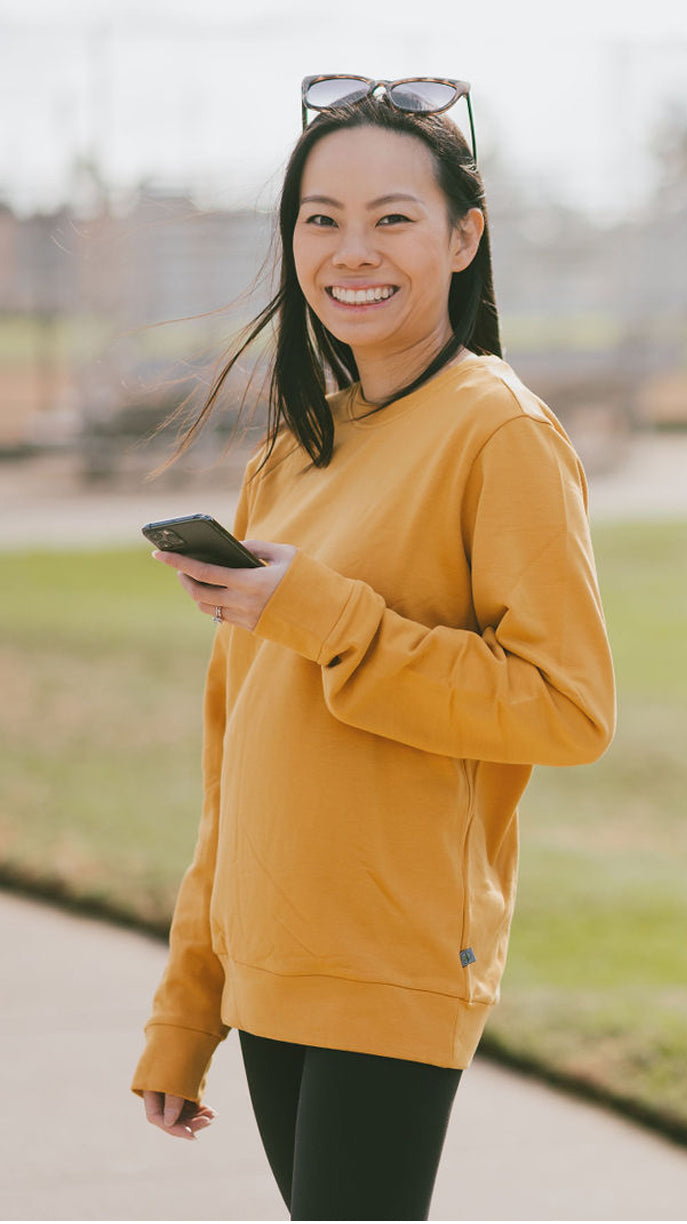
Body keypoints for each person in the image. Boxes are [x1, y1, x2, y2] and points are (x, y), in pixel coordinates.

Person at [131, 76, 616, 1221]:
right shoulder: (292, 454)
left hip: (389, 960)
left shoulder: (501, 432)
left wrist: (329, 617)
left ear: (463, 235)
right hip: (271, 965)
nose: (353, 250)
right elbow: (234, 765)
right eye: (321, 217)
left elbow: (566, 708)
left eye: (393, 217)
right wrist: (187, 1006)